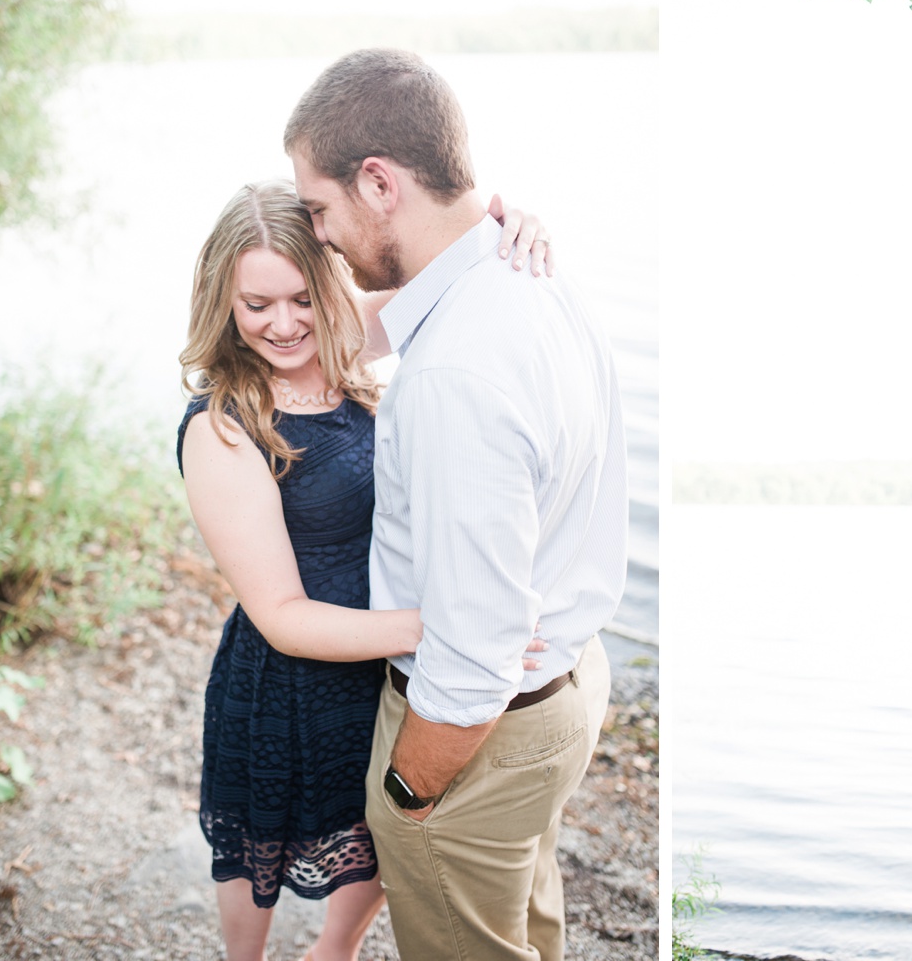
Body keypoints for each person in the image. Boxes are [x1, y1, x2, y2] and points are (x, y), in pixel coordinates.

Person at [283, 48, 627, 961]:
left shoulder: (454, 376)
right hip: (566, 681)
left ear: (380, 182)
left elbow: (472, 656)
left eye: (320, 209)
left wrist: (403, 798)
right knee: (527, 927)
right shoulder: (533, 276)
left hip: (483, 726)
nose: (320, 235)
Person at [177, 179, 552, 961]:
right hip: (289, 676)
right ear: (225, 302)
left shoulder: (345, 342)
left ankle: (333, 952)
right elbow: (279, 611)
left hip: (383, 667)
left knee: (379, 828)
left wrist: (510, 220)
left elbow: (451, 254)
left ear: (328, 285)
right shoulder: (223, 428)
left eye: (301, 298)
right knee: (259, 853)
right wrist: (450, 626)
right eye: (257, 305)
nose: (283, 324)